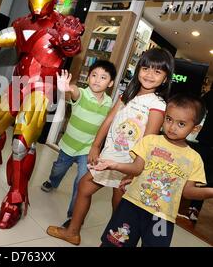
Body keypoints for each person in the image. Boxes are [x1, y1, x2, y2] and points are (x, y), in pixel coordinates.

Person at [0, 0, 85, 229]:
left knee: (21, 143)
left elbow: (72, 49)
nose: (38, 4)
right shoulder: (21, 23)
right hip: (18, 84)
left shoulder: (62, 23)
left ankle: (16, 199)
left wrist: (69, 39)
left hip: (42, 88)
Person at [47, 48, 175, 244]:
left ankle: (117, 241)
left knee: (120, 206)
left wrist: (134, 172)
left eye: (157, 72)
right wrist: (96, 146)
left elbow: (149, 141)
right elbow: (109, 120)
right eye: (146, 68)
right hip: (109, 156)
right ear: (138, 69)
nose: (149, 75)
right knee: (84, 187)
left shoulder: (157, 104)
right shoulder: (128, 94)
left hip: (129, 164)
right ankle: (73, 231)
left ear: (165, 78)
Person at [91, 93, 212, 247]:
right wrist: (114, 164)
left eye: (181, 124)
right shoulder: (150, 141)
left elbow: (188, 192)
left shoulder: (194, 159)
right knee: (114, 243)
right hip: (131, 207)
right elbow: (137, 167)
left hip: (162, 218)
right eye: (169, 119)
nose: (172, 127)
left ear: (195, 128)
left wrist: (210, 192)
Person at [41, 60, 117, 227]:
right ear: (88, 77)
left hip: (87, 150)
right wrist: (68, 88)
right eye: (94, 75)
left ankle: (73, 217)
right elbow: (75, 92)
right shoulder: (82, 93)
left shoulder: (109, 103)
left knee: (81, 182)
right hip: (69, 145)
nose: (97, 80)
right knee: (58, 169)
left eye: (103, 77)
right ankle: (52, 182)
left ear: (110, 83)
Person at [186, 85, 213, 222]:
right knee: (196, 172)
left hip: (206, 140)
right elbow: (199, 106)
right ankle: (188, 203)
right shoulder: (210, 95)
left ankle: (195, 207)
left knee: (209, 178)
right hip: (205, 140)